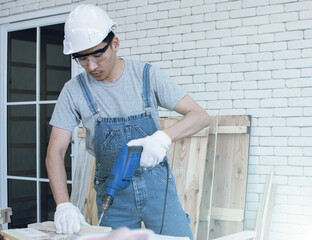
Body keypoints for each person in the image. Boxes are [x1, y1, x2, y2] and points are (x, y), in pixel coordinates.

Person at [46, 4, 210, 239]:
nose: (91, 66)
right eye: (82, 59)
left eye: (97, 54)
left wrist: (163, 137)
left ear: (115, 44)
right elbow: (55, 151)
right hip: (114, 195)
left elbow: (200, 116)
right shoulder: (74, 91)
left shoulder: (146, 75)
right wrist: (63, 205)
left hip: (158, 190)